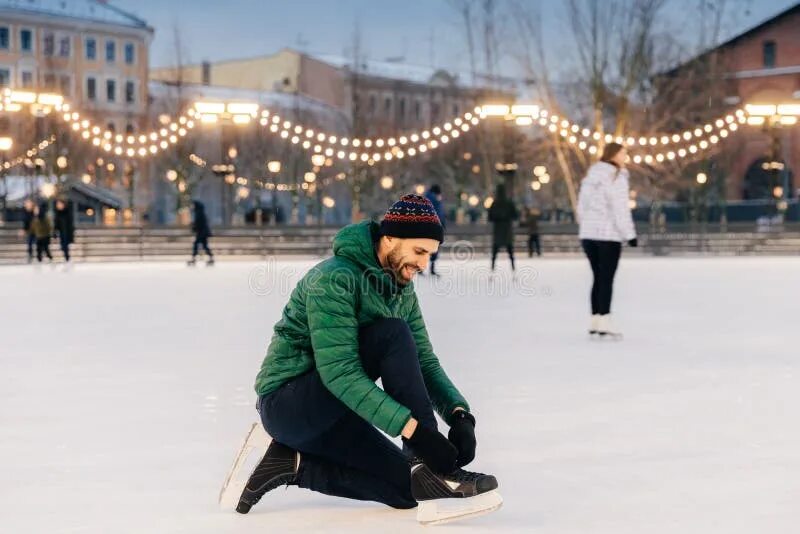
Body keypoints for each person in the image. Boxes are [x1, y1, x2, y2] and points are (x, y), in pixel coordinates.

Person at [237, 194, 499, 523]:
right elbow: (340, 373)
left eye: (430, 255)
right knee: (392, 332)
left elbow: (424, 362)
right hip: (288, 405)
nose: (423, 264)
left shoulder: (401, 289)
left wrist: (460, 416)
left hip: (339, 410)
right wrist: (418, 434)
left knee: (407, 491)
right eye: (419, 251)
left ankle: (292, 465)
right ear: (389, 238)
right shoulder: (333, 279)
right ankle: (429, 466)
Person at [577, 142, 637, 337]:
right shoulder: (616, 176)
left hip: (589, 235)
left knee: (597, 277)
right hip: (608, 235)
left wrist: (585, 226)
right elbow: (619, 208)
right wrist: (629, 234)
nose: (625, 157)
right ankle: (604, 320)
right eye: (623, 153)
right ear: (613, 155)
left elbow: (581, 206)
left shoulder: (590, 176)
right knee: (606, 279)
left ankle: (595, 320)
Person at [487, 183, 518, 272]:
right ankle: (513, 267)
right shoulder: (509, 203)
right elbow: (515, 215)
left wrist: (498, 217)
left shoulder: (494, 203)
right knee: (510, 251)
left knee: (495, 252)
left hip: (498, 231)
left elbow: (490, 217)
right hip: (507, 230)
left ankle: (492, 267)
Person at [424, 184, 445, 276]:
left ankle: (423, 268)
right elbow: (439, 214)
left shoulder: (428, 199)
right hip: (434, 226)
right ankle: (431, 268)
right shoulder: (435, 200)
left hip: (428, 226)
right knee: (433, 248)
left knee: (427, 248)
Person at [188, 200, 214, 266]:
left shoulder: (199, 213)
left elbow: (199, 224)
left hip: (202, 233)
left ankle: (193, 258)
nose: (192, 207)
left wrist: (193, 227)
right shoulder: (200, 212)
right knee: (204, 245)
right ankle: (211, 257)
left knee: (196, 244)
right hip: (203, 232)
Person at [53, 199, 75, 263]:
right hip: (61, 233)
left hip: (67, 233)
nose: (58, 206)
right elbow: (56, 224)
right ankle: (67, 260)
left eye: (59, 204)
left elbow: (70, 224)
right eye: (57, 204)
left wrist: (71, 235)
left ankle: (68, 260)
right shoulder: (57, 213)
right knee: (63, 247)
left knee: (65, 247)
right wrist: (55, 233)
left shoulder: (67, 212)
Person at [21, 199, 36, 263]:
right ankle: (30, 256)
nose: (28, 205)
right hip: (30, 230)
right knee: (29, 244)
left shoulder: (35, 211)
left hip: (36, 230)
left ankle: (39, 256)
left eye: (29, 203)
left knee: (39, 243)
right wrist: (24, 230)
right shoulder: (24, 212)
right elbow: (25, 222)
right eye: (27, 203)